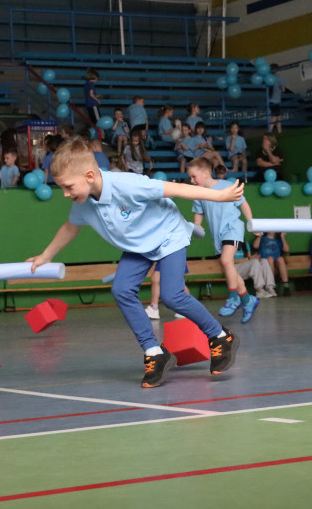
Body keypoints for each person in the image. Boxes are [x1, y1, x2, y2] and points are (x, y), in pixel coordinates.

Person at [27, 138, 242, 388]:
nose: (66, 194)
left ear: (89, 175)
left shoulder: (127, 184)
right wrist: (46, 255)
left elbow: (176, 189)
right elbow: (69, 228)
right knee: (121, 289)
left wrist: (220, 195)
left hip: (168, 235)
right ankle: (155, 353)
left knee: (172, 295)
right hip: (139, 246)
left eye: (68, 187)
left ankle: (220, 336)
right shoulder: (83, 203)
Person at [187, 157, 259, 322]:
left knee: (226, 261)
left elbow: (243, 204)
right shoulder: (199, 193)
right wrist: (197, 226)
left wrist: (252, 223)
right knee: (229, 267)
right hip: (217, 236)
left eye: (194, 176)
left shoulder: (227, 186)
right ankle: (248, 300)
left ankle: (233, 298)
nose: (191, 181)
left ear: (206, 174)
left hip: (232, 229)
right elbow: (199, 213)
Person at [258, 231, 290, 296]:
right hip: (265, 264)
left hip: (277, 265)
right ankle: (271, 285)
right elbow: (255, 246)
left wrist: (282, 237)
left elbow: (286, 250)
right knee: (270, 259)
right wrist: (259, 236)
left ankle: (286, 285)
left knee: (281, 259)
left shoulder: (278, 239)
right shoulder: (263, 238)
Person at [267, 65, 283, 133]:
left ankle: (279, 131)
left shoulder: (269, 79)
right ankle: (269, 132)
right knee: (275, 117)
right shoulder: (278, 78)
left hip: (271, 101)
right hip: (276, 101)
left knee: (278, 117)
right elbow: (283, 89)